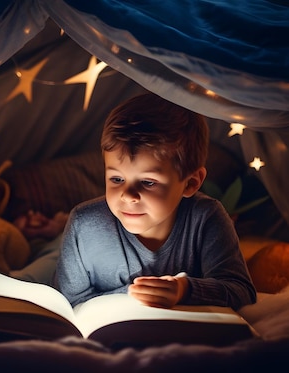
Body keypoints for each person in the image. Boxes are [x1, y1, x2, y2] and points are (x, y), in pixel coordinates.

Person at [53, 93, 257, 310]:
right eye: (117, 179)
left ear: (190, 184)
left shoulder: (206, 218)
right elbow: (67, 304)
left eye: (148, 182)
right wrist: (134, 295)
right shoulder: (84, 224)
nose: (128, 195)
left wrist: (184, 290)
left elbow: (242, 292)